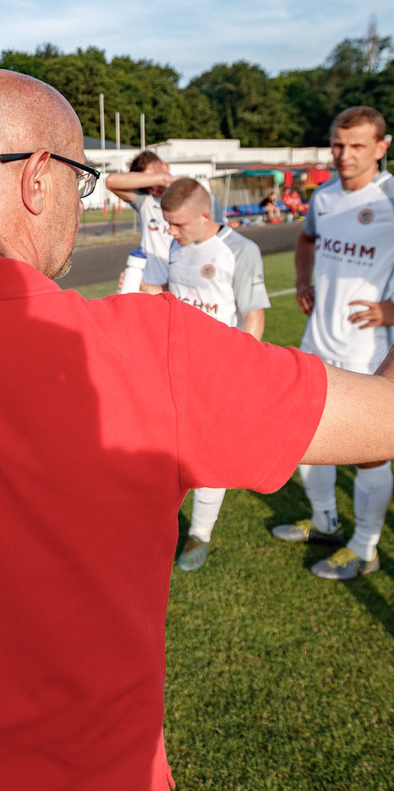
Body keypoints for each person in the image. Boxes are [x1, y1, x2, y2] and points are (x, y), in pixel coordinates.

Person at [0, 70, 394, 791]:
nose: (81, 209)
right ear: (39, 180)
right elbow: (383, 423)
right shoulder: (154, 348)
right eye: (83, 184)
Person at [271, 105, 394, 579]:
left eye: (358, 145)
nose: (344, 154)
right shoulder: (322, 196)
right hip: (317, 337)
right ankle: (324, 520)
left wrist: (392, 309)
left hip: (369, 345)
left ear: (381, 148)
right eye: (339, 144)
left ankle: (365, 546)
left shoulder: (390, 198)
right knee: (304, 436)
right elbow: (307, 241)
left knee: (369, 451)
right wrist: (303, 281)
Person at [142, 178, 270, 570]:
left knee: (210, 455)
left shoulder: (240, 250)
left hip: (217, 373)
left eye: (179, 224)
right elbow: (155, 292)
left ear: (204, 215)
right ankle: (160, 523)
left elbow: (253, 315)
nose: (171, 232)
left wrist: (239, 371)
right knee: (163, 451)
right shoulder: (173, 245)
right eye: (168, 224)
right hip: (172, 366)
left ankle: (199, 533)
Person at [105, 152, 175, 281]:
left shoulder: (191, 196)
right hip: (151, 285)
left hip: (182, 287)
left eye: (154, 176)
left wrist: (170, 182)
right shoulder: (146, 200)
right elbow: (111, 181)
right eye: (146, 184)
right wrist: (162, 179)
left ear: (165, 166)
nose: (153, 188)